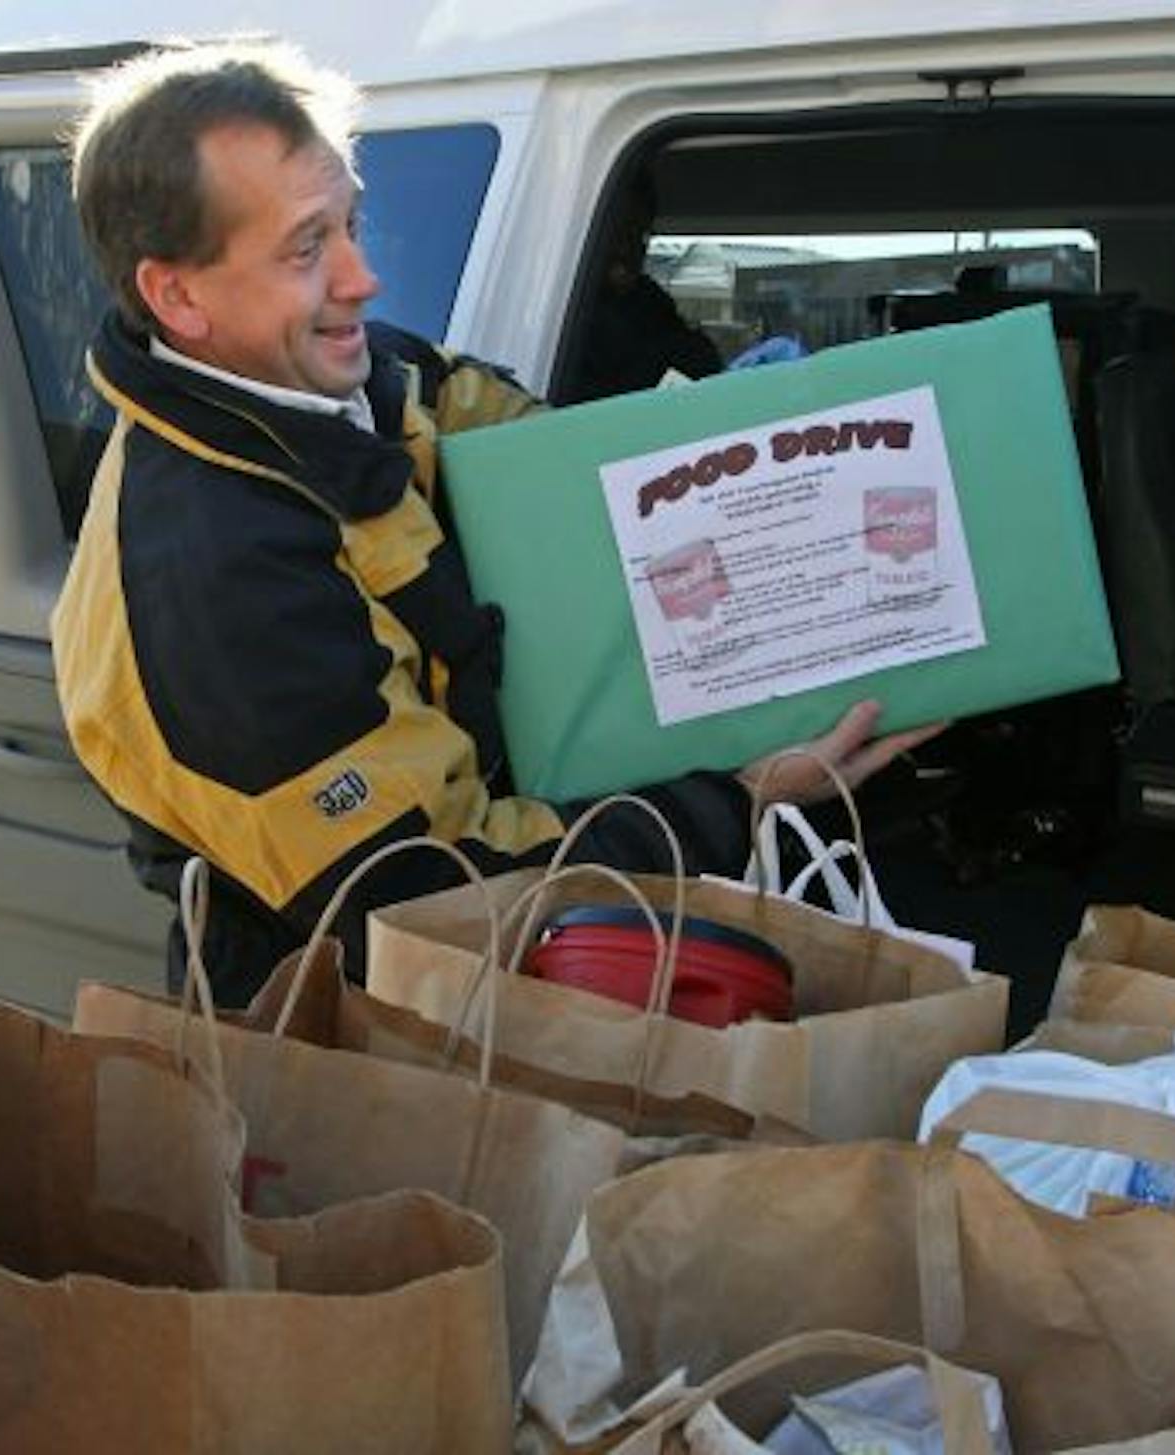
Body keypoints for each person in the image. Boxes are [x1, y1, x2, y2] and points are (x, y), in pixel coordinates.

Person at [53, 42, 935, 1001]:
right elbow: (429, 891)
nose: (362, 278)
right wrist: (739, 800)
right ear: (176, 294)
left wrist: (756, 461)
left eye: (353, 223)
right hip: (364, 1037)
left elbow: (565, 457)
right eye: (307, 248)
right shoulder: (211, 581)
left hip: (516, 948)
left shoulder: (361, 375)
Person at [569, 169, 724, 401]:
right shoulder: (563, 312)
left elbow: (700, 373)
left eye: (637, 235)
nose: (625, 249)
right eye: (612, 234)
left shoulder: (653, 308)